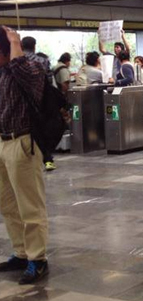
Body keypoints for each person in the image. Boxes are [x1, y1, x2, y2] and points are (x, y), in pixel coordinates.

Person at [0, 25, 49, 285]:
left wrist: (14, 43)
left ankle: (37, 258)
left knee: (30, 206)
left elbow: (29, 77)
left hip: (23, 143)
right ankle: (21, 252)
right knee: (7, 204)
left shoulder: (33, 64)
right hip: (2, 142)